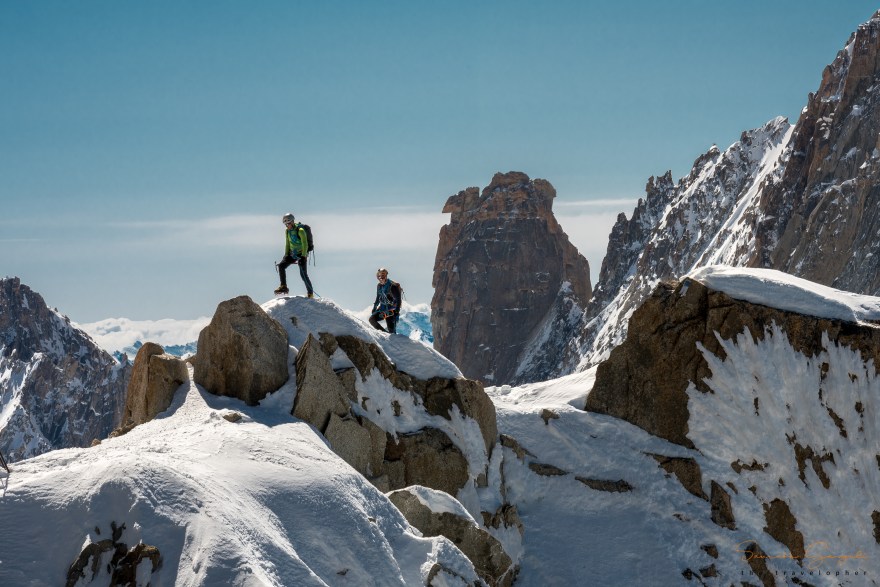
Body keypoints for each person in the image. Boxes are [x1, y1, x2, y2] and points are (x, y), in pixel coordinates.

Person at [274, 213, 314, 298]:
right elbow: (287, 244)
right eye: (285, 224)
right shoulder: (287, 231)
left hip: (301, 253)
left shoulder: (300, 230)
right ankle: (283, 286)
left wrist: (303, 256)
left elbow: (305, 244)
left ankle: (310, 293)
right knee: (281, 266)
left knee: (303, 275)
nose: (287, 225)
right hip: (292, 253)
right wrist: (286, 255)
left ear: (292, 221)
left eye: (288, 223)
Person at [369, 268, 402, 333]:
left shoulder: (393, 286)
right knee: (372, 320)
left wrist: (396, 312)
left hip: (391, 312)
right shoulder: (379, 286)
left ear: (386, 275)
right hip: (383, 310)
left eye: (383, 275)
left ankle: (390, 337)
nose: (381, 277)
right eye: (380, 275)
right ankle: (384, 334)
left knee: (391, 331)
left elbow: (398, 300)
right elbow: (378, 298)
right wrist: (374, 308)